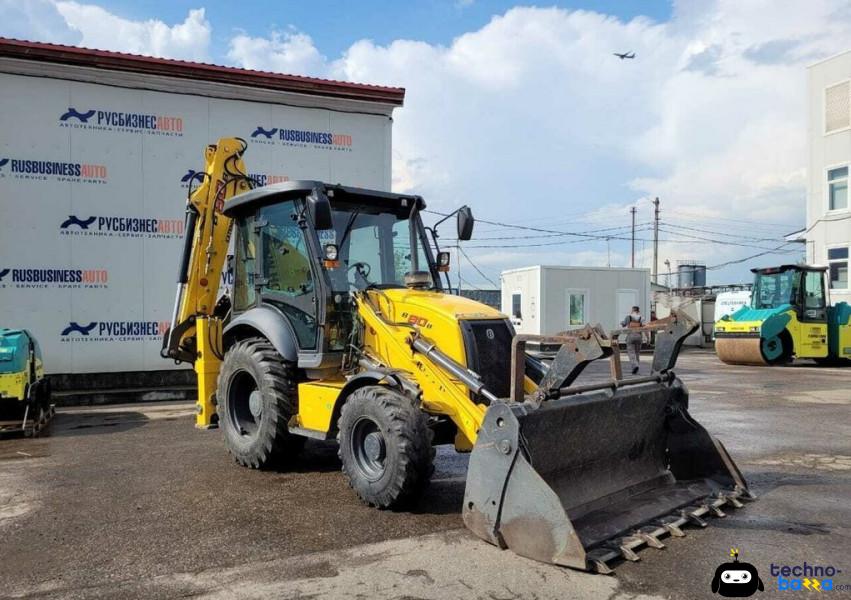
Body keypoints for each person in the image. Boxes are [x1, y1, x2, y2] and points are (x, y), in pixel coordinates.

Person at [621, 305, 644, 375]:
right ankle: (636, 368)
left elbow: (623, 324)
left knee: (631, 352)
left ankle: (635, 365)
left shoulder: (628, 317)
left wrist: (622, 323)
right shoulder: (641, 318)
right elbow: (644, 328)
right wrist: (648, 338)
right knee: (637, 353)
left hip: (630, 336)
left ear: (632, 310)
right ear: (638, 311)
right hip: (639, 336)